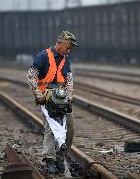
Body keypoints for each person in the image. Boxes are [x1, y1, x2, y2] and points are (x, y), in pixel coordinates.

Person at [27, 30, 79, 174]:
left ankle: (61, 157)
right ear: (60, 43)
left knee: (70, 126)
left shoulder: (65, 59)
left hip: (61, 97)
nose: (69, 50)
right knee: (51, 128)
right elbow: (31, 76)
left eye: (71, 48)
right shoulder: (43, 56)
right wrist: (38, 95)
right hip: (47, 96)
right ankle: (49, 160)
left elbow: (69, 79)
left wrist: (69, 97)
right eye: (68, 47)